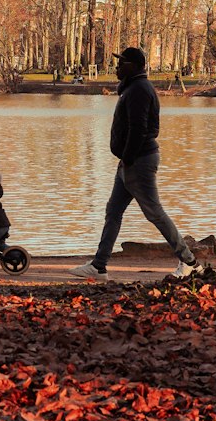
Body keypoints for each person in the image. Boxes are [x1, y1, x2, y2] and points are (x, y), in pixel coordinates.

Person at [71, 46, 199, 282]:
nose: (117, 67)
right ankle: (99, 266)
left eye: (122, 63)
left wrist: (129, 158)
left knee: (154, 212)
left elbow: (139, 129)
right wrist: (125, 159)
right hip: (129, 162)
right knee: (113, 212)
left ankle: (189, 261)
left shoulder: (139, 90)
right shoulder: (132, 88)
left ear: (134, 66)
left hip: (139, 161)